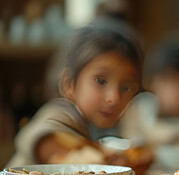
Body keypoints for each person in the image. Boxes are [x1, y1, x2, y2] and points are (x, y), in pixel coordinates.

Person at [8, 23, 144, 167]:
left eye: (126, 87)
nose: (114, 98)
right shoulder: (60, 112)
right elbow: (42, 140)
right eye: (101, 81)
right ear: (69, 84)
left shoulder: (88, 125)